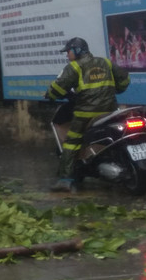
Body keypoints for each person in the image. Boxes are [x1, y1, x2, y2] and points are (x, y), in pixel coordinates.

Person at [44, 37, 130, 192]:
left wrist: (50, 95)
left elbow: (58, 87)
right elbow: (125, 79)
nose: (67, 55)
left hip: (85, 113)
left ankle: (65, 180)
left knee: (71, 142)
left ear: (77, 51)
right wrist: (117, 89)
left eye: (68, 51)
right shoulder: (106, 62)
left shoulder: (75, 67)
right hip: (110, 111)